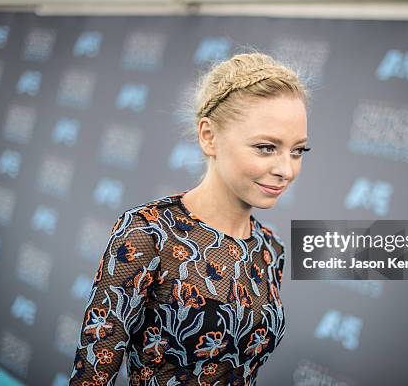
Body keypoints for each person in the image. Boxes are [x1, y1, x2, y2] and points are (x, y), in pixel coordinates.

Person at [69, 51, 311, 385]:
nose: (286, 169)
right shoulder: (148, 233)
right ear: (209, 136)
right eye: (266, 147)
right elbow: (92, 376)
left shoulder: (271, 250)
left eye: (298, 150)